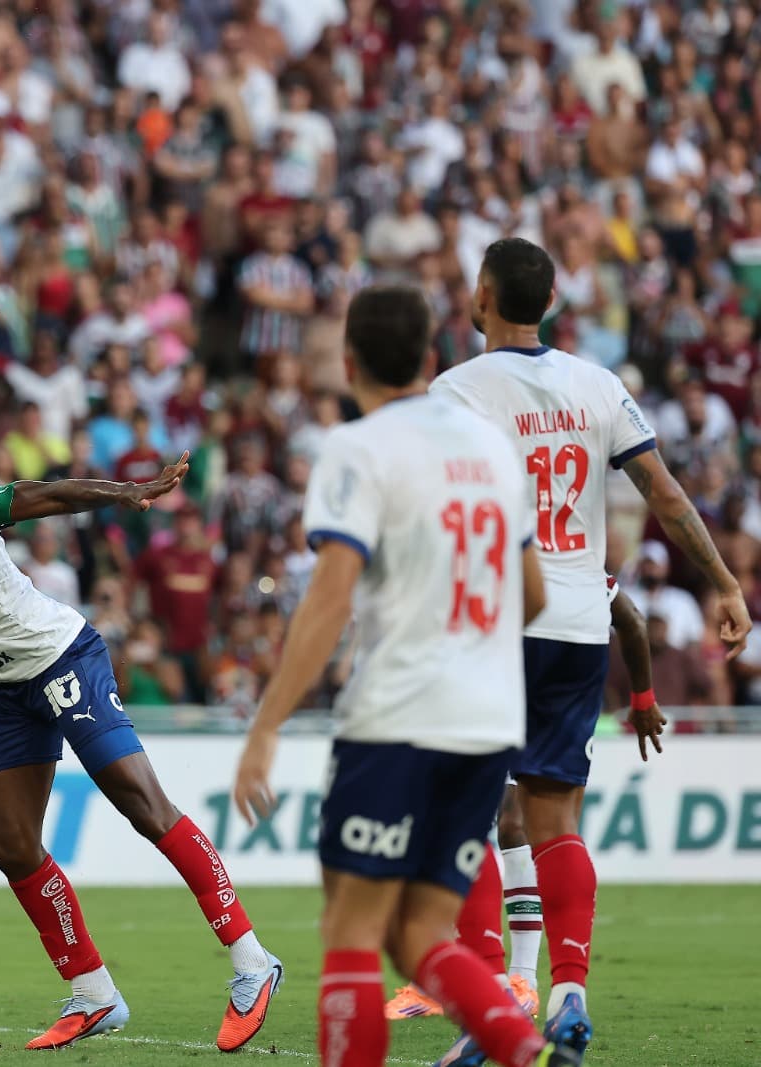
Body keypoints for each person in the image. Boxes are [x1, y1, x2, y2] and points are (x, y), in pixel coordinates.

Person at [0, 419, 282, 1053]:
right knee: (11, 845)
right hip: (3, 687)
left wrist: (125, 492)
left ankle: (252, 960)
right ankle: (94, 993)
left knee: (142, 805)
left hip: (60, 657)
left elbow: (46, 496)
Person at [231, 286, 573, 1067]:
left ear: (347, 364)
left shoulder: (358, 447)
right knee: (418, 931)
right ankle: (528, 1049)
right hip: (487, 722)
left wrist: (267, 724)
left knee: (351, 930)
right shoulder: (492, 448)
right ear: (430, 358)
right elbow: (535, 593)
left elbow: (328, 600)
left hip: (398, 717)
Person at [428, 238, 751, 1060]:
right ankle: (567, 990)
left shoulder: (457, 390)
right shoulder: (598, 385)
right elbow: (667, 496)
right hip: (579, 619)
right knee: (555, 820)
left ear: (486, 294)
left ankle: (485, 1013)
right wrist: (723, 583)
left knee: (455, 813)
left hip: (496, 616)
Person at [386, 575, 666, 1025]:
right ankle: (499, 979)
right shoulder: (575, 558)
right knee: (511, 820)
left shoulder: (508, 541)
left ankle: (506, 980)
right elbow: (629, 619)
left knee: (481, 818)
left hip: (502, 672)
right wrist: (644, 697)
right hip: (558, 666)